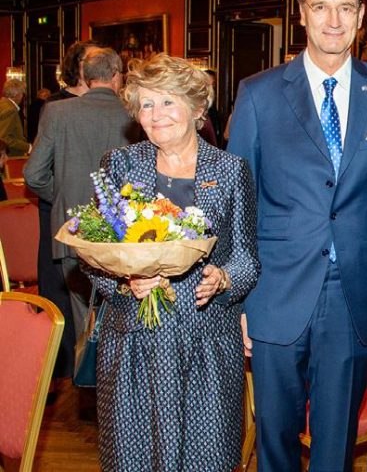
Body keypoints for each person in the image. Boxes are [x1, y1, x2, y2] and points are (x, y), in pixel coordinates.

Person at [227, 0, 367, 472]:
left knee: (336, 444)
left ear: (361, 17)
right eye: (321, 7)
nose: (333, 20)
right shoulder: (258, 93)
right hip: (274, 293)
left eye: (345, 8)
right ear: (302, 14)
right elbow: (238, 202)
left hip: (355, 295)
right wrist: (236, 296)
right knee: (275, 442)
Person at [84, 53, 260, 471]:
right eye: (146, 104)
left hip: (207, 346)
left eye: (168, 101)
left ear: (197, 108)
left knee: (206, 458)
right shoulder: (120, 165)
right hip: (134, 345)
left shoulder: (231, 170)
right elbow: (92, 256)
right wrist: (124, 281)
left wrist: (223, 278)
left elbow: (247, 260)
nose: (156, 113)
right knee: (133, 458)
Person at [23, 47, 140, 382]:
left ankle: (88, 390)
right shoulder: (134, 114)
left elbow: (33, 175)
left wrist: (63, 199)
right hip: (126, 236)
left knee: (82, 323)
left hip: (73, 233)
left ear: (86, 78)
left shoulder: (57, 112)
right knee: (126, 317)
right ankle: (121, 389)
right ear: (117, 76)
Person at [0, 78, 31, 157]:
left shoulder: (2, 104)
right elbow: (4, 138)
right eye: (22, 93)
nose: (22, 96)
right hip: (11, 156)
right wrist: (28, 147)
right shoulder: (10, 110)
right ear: (17, 95)